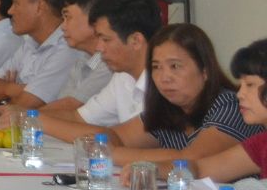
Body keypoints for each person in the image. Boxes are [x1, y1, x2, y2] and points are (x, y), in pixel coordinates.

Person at [50, 23, 261, 168]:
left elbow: (189, 160)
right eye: (156, 67)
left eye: (175, 66)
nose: (164, 77)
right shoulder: (170, 106)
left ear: (205, 70)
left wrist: (110, 153)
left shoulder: (230, 105)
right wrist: (37, 120)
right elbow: (115, 136)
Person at [38, 0, 162, 142]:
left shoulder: (165, 84)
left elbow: (118, 139)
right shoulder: (122, 77)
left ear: (135, 41)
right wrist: (23, 116)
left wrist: (32, 120)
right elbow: (79, 117)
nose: (99, 48)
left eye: (106, 40)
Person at [0, 0, 77, 108]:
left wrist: (7, 92)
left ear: (39, 7)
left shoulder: (68, 47)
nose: (10, 11)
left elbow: (26, 105)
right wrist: (18, 89)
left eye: (16, 3)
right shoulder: (30, 42)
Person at [193, 39, 267, 190]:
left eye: (249, 85)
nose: (239, 94)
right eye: (240, 85)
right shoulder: (262, 141)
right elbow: (201, 169)